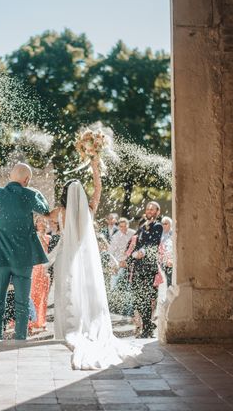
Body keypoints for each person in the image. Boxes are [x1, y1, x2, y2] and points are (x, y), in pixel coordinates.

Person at [47, 158, 163, 370]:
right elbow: (98, 190)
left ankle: (65, 329)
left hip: (65, 257)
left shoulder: (58, 212)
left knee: (66, 290)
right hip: (84, 258)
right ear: (81, 194)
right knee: (85, 291)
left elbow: (43, 213)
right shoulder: (89, 210)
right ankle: (85, 326)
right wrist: (95, 167)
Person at [0, 162, 50, 341]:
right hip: (23, 258)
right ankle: (20, 337)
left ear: (10, 177)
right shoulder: (31, 195)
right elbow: (45, 210)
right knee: (21, 302)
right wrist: (38, 193)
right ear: (27, 180)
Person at [125, 202, 163, 338]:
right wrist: (131, 257)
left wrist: (142, 251)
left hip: (148, 266)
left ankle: (147, 328)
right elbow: (137, 243)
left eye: (152, 209)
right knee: (137, 298)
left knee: (146, 298)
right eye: (148, 209)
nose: (149, 211)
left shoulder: (158, 226)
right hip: (137, 266)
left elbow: (153, 242)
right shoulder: (141, 226)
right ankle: (148, 325)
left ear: (157, 212)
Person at [108, 217, 136, 316]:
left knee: (129, 287)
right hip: (119, 264)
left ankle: (129, 310)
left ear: (128, 225)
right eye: (121, 226)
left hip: (131, 264)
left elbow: (135, 249)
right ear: (118, 226)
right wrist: (113, 266)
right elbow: (111, 253)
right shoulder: (115, 237)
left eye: (125, 226)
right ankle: (118, 308)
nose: (123, 228)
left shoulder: (133, 233)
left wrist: (128, 261)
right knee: (116, 287)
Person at [29, 217, 51, 331]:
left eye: (43, 221)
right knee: (32, 294)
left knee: (42, 296)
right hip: (33, 267)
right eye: (38, 221)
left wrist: (41, 237)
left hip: (43, 269)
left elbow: (47, 250)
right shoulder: (31, 236)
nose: (41, 223)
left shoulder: (48, 237)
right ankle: (30, 322)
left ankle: (41, 321)